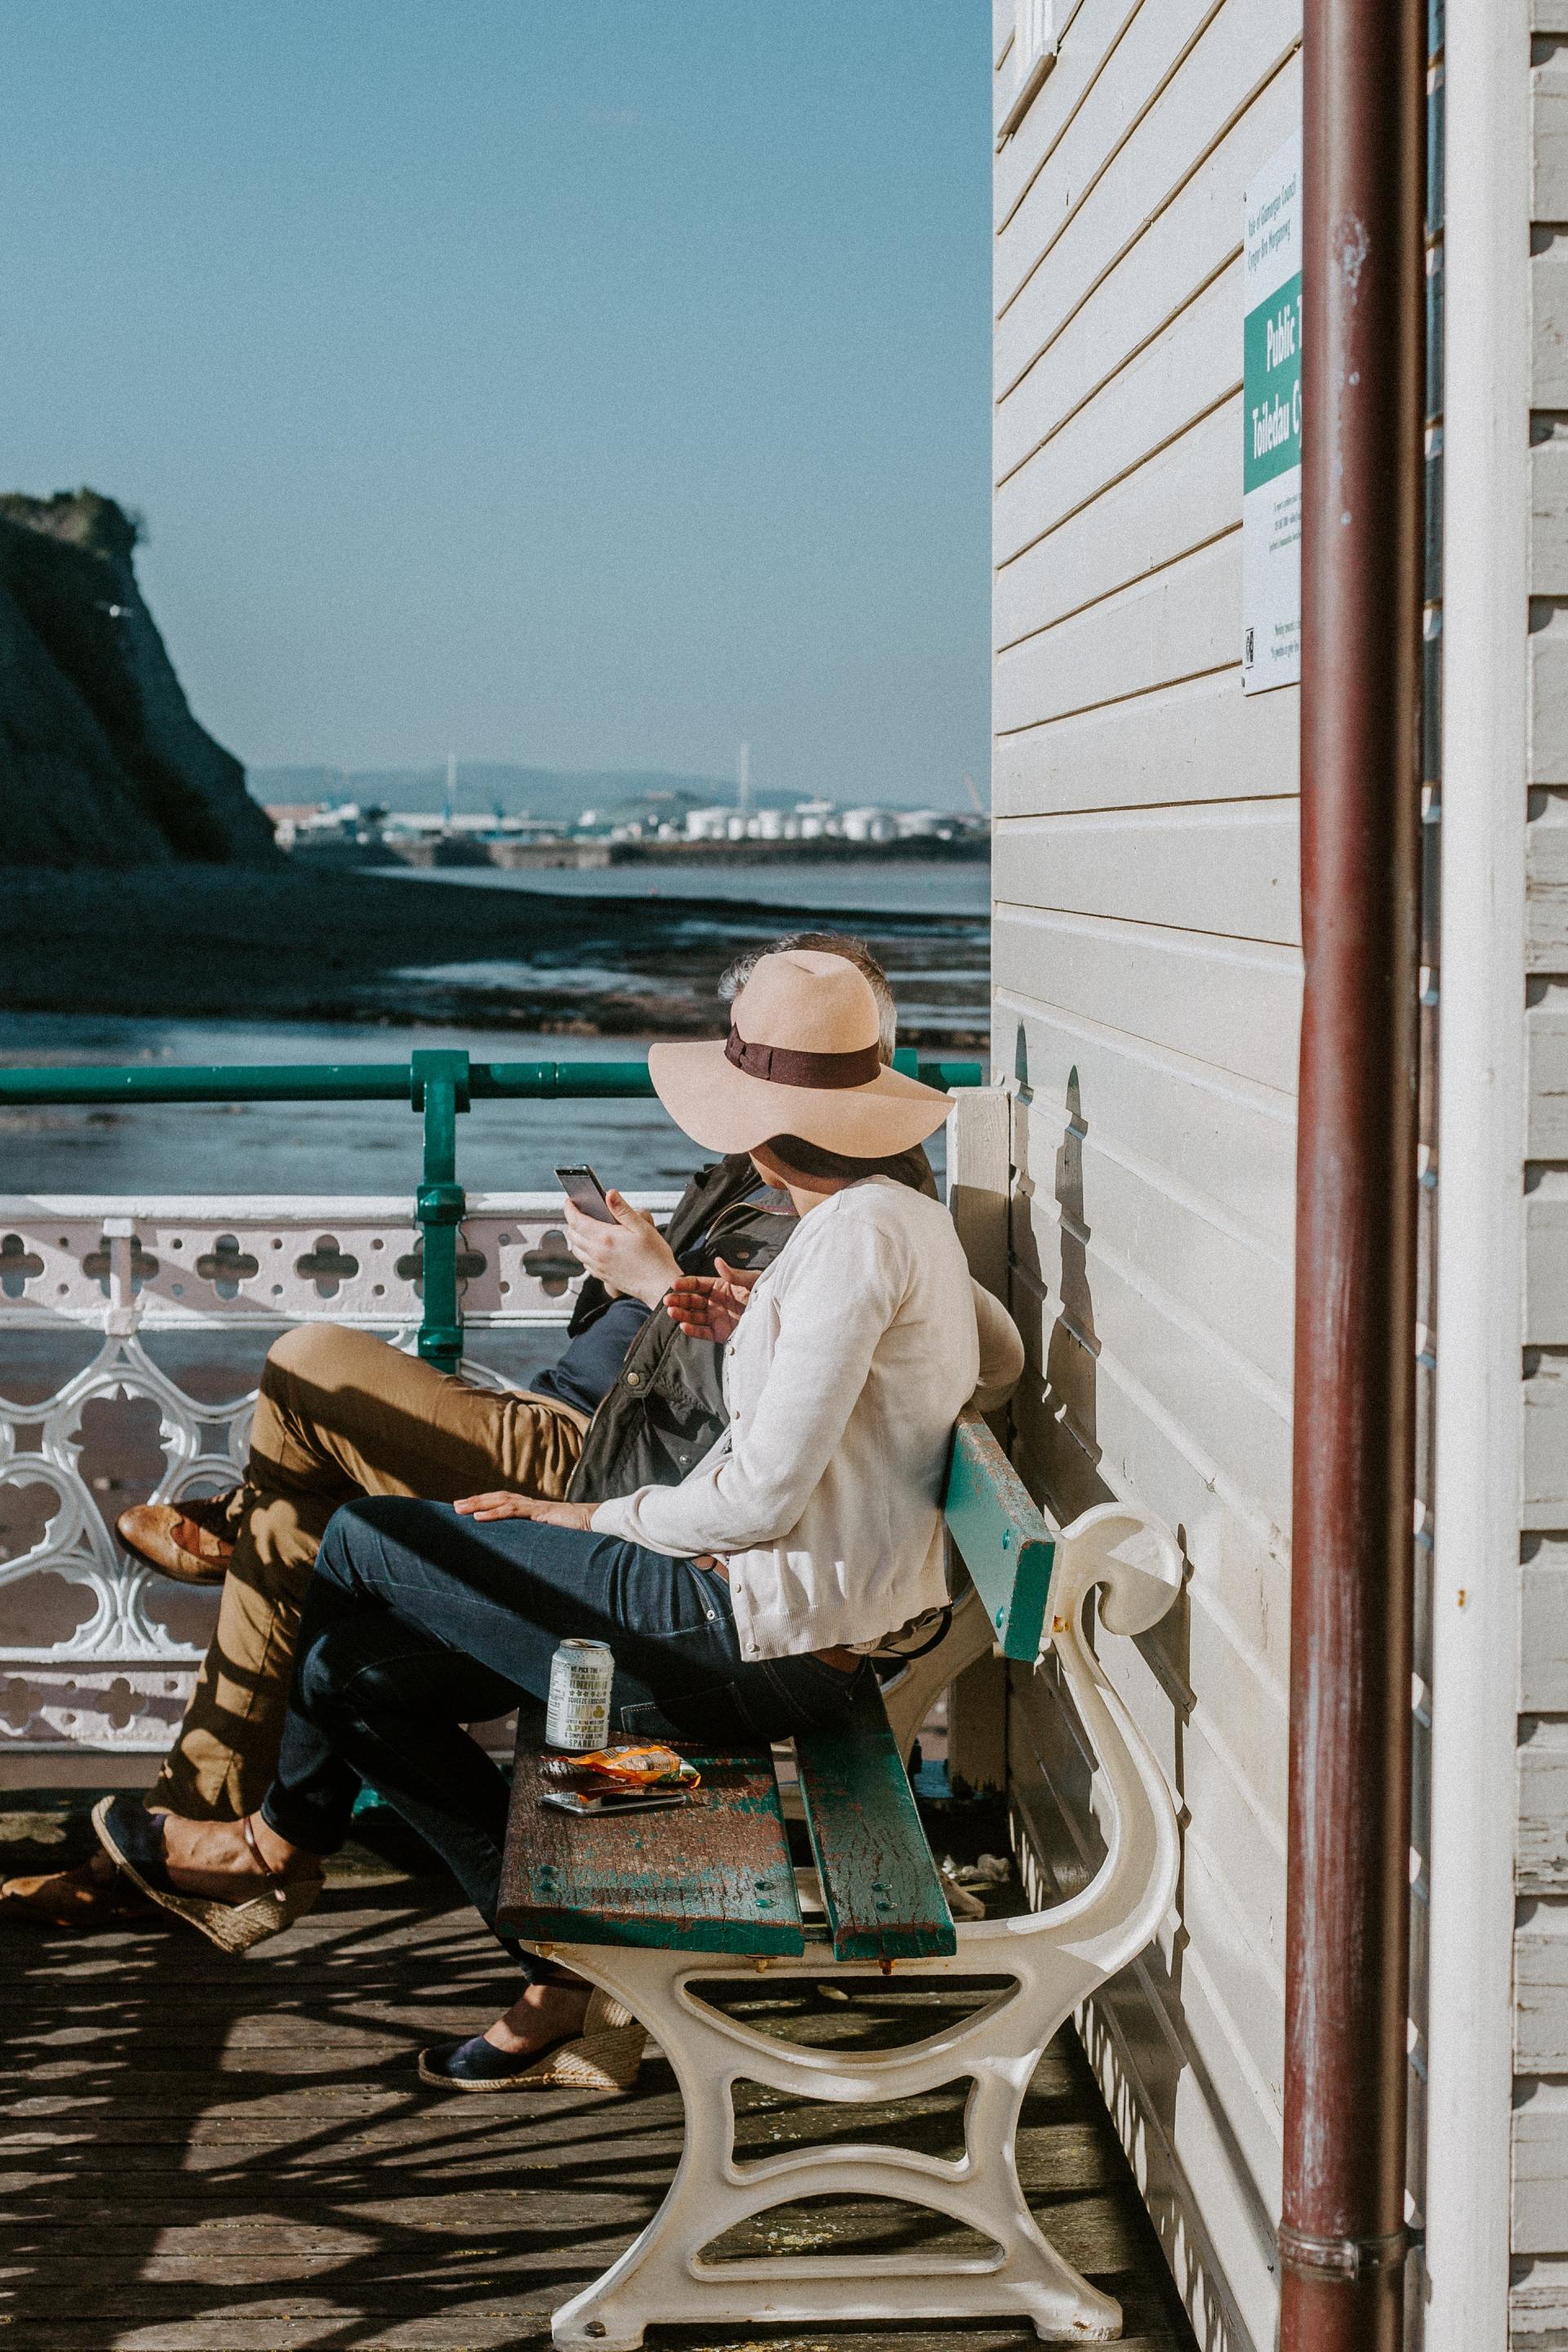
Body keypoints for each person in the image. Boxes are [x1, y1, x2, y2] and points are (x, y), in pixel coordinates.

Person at [91, 948, 1024, 2094]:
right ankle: (557, 1966)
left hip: (748, 1637)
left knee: (361, 1539)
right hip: (759, 1619)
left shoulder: (855, 1236)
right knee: (346, 1676)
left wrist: (582, 1517)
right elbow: (998, 1358)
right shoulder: (890, 1220)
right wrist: (769, 1327)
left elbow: (762, 1499)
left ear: (765, 1128)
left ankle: (283, 1839)